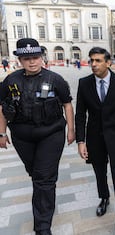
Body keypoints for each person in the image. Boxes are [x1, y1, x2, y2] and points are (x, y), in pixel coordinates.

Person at [0, 38, 75, 235]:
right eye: (27, 58)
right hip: (22, 137)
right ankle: (43, 188)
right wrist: (1, 133)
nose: (32, 62)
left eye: (35, 57)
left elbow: (67, 104)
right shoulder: (10, 81)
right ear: (19, 60)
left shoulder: (55, 79)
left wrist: (71, 130)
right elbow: (2, 107)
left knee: (44, 179)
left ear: (41, 57)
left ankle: (42, 228)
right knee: (36, 174)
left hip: (50, 133)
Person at [75, 47, 115, 235]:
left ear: (108, 63)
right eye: (91, 61)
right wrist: (81, 141)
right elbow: (80, 115)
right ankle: (104, 198)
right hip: (94, 138)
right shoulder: (84, 83)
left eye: (98, 61)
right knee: (100, 173)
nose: (93, 64)